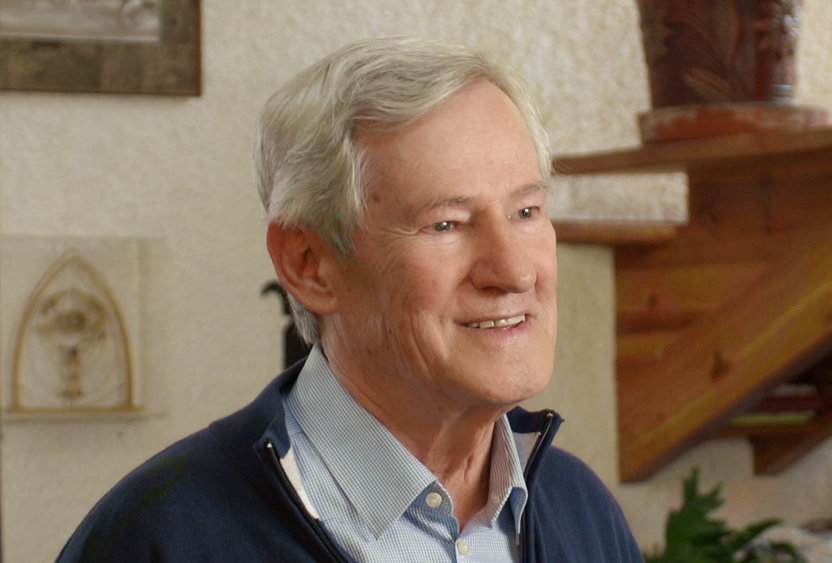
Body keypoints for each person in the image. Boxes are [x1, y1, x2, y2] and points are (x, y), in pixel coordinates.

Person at [58, 36, 644, 562]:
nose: (514, 272)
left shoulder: (580, 511)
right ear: (309, 265)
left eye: (526, 211)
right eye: (446, 224)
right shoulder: (163, 537)